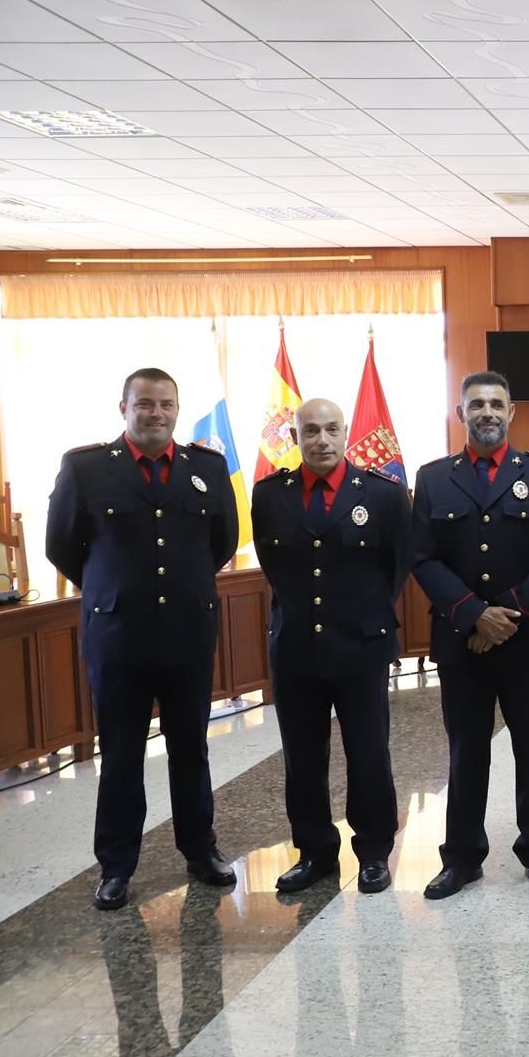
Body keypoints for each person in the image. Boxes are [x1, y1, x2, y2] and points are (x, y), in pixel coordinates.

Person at [46, 368, 240, 911]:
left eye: (166, 404)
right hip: (118, 637)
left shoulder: (207, 466)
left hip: (187, 634)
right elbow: (61, 545)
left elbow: (222, 540)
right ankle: (116, 866)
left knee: (190, 749)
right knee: (123, 753)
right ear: (124, 407)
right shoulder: (85, 468)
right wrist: (110, 589)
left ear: (178, 409)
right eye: (145, 404)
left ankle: (201, 851)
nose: (156, 413)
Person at [409, 371, 529, 900]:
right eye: (476, 404)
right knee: (465, 751)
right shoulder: (434, 478)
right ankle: (461, 858)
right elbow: (423, 557)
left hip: (526, 640)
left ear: (511, 412)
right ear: (461, 413)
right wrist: (472, 614)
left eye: (496, 404)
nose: (487, 412)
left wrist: (505, 616)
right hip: (462, 640)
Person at [250, 397, 409, 896]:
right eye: (311, 431)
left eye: (331, 430)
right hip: (296, 646)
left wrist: (362, 614)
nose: (321, 440)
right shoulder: (270, 495)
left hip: (360, 645)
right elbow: (273, 567)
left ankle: (374, 852)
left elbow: (397, 567)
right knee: (302, 757)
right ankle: (315, 851)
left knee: (368, 752)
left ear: (345, 436)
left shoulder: (382, 495)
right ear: (295, 438)